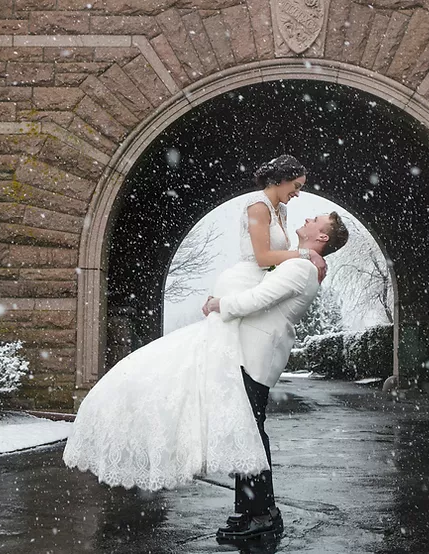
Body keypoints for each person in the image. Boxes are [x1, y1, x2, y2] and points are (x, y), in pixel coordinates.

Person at [62, 155, 324, 489]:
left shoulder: (282, 212)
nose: (298, 194)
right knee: (208, 369)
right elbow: (262, 257)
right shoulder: (256, 207)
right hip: (245, 281)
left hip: (253, 288)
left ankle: (251, 499)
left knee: (232, 389)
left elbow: (274, 266)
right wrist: (304, 254)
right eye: (297, 187)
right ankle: (244, 492)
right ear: (281, 179)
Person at [205, 212, 349, 542]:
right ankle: (251, 512)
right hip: (254, 353)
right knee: (248, 431)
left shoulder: (301, 268)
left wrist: (218, 304)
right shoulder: (302, 262)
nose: (309, 217)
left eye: (317, 220)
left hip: (257, 355)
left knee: (250, 433)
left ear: (322, 237)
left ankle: (262, 515)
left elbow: (259, 299)